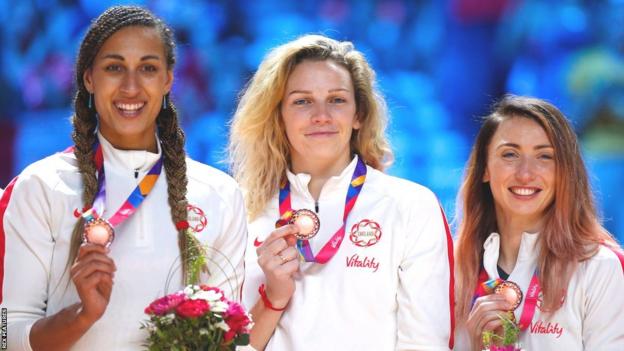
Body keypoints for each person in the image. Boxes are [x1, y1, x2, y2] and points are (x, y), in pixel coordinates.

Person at [0, 6, 246, 350]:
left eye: (147, 68)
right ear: (89, 78)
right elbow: (5, 335)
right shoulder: (40, 186)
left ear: (168, 80)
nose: (131, 87)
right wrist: (82, 316)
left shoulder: (219, 193)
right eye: (114, 68)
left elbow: (230, 333)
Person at [229, 34, 455, 351]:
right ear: (278, 115)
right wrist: (273, 297)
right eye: (302, 101)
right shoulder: (240, 210)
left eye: (336, 99)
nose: (321, 115)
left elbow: (425, 343)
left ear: (359, 114)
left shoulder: (410, 206)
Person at [453, 95, 624, 350]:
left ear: (565, 172)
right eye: (510, 154)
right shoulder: (453, 267)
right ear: (485, 169)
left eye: (544, 157)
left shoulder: (600, 267)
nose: (525, 173)